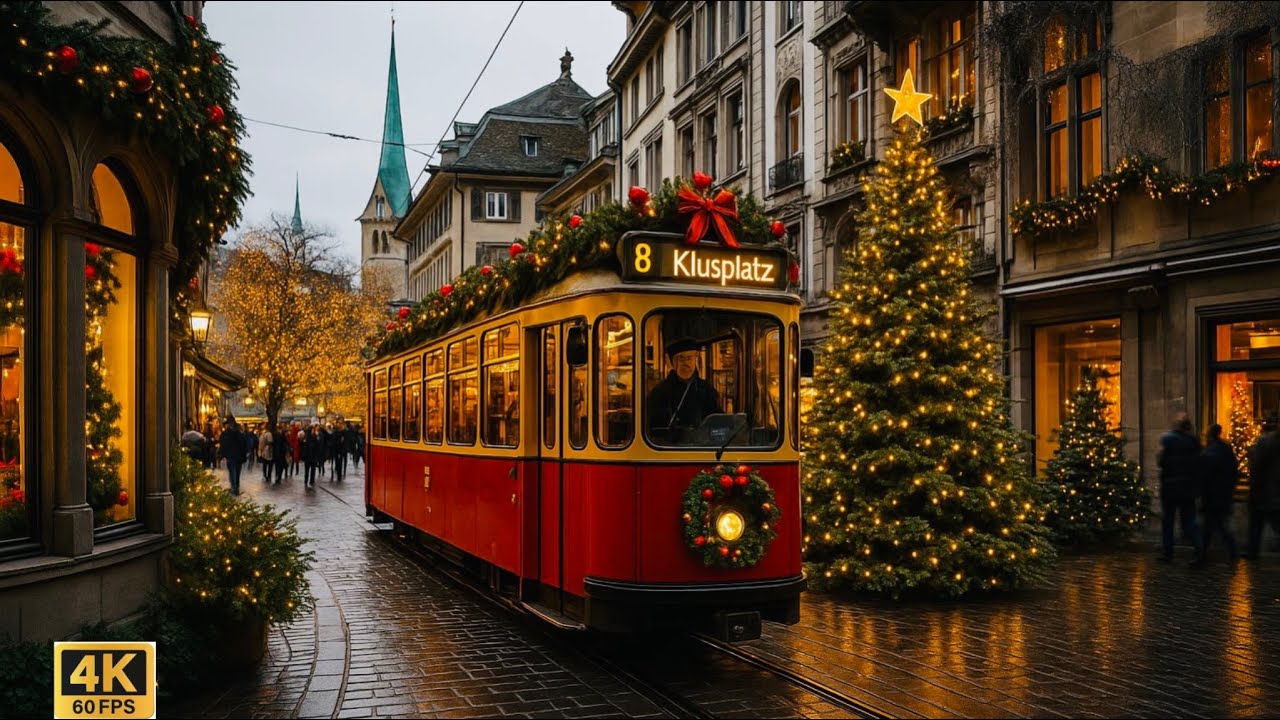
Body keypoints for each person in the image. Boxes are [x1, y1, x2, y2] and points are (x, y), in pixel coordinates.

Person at [646, 338, 722, 444]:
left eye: (689, 358)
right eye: (681, 359)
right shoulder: (660, 391)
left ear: (694, 360)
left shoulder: (706, 389)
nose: (686, 363)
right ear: (672, 363)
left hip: (701, 450)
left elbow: (718, 422)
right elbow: (652, 429)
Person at [1158, 412, 1203, 564]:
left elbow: (1162, 462)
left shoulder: (1169, 442)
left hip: (1170, 487)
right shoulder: (1194, 443)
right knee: (1189, 521)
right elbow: (1198, 465)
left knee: (1168, 521)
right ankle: (1198, 549)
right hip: (1187, 488)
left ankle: (1168, 552)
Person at [1200, 423, 1239, 561]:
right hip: (1223, 494)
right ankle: (1204, 553)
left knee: (1215, 526)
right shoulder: (1226, 448)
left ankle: (1203, 554)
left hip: (1213, 496)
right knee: (1215, 526)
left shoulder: (1210, 452)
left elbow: (1205, 476)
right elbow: (1234, 471)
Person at [1246, 415, 1280, 559]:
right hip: (1271, 492)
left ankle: (1252, 551)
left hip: (1264, 493)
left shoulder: (1264, 442)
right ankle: (1252, 551)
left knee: (1257, 524)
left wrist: (1254, 488)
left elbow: (1258, 468)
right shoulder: (1272, 441)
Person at [219, 416, 246, 495]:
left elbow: (223, 444)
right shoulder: (239, 433)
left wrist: (223, 454)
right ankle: (236, 486)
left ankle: (234, 486)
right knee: (236, 471)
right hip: (238, 456)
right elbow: (243, 444)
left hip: (231, 455)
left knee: (233, 471)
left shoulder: (226, 434)